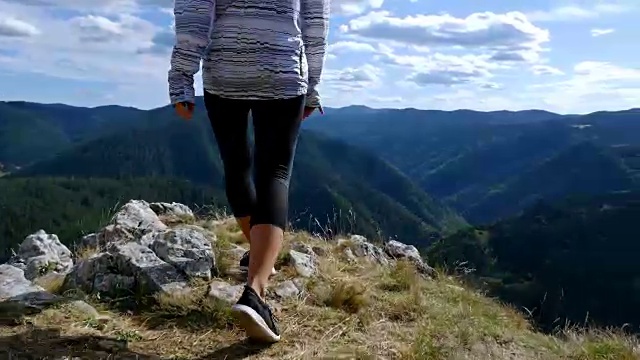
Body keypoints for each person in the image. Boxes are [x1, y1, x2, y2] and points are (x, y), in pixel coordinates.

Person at [168, 0, 329, 343]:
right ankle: (255, 290)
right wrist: (313, 85)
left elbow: (195, 10)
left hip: (224, 71)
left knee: (236, 165)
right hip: (282, 69)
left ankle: (260, 259)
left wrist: (181, 75)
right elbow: (315, 24)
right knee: (274, 172)